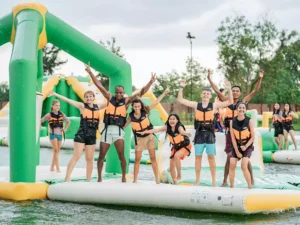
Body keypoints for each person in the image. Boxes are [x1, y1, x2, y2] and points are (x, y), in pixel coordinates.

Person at [85, 63, 156, 182]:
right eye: (117, 92)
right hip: (107, 131)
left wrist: (150, 82)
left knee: (121, 156)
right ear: (114, 92)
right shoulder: (109, 97)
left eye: (120, 93)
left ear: (123, 93)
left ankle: (123, 178)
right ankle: (99, 178)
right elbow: (100, 86)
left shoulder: (127, 101)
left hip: (118, 132)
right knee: (101, 156)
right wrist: (90, 72)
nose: (118, 94)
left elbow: (141, 93)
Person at [208, 69, 264, 187]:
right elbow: (217, 90)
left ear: (239, 93)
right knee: (229, 157)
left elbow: (255, 91)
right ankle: (225, 180)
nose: (234, 92)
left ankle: (251, 179)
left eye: (237, 91)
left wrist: (260, 78)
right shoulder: (226, 101)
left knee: (245, 157)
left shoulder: (243, 102)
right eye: (233, 90)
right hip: (230, 133)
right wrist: (209, 78)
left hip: (243, 133)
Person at [177, 79, 233, 186]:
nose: (206, 95)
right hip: (199, 134)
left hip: (209, 134)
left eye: (208, 94)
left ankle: (213, 181)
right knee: (198, 157)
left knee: (211, 157)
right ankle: (197, 180)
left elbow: (230, 102)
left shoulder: (214, 105)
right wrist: (181, 87)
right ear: (201, 95)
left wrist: (229, 89)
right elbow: (180, 99)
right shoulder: (195, 104)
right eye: (204, 93)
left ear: (210, 96)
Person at [49, 91, 107, 182]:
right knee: (76, 156)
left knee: (90, 159)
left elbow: (111, 102)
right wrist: (55, 94)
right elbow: (68, 100)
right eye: (87, 97)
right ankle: (67, 177)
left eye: (90, 96)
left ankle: (88, 180)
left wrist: (125, 97)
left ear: (93, 97)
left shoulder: (98, 107)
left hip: (92, 136)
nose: (89, 98)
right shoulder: (82, 106)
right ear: (85, 98)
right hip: (81, 134)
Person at [124, 88, 169, 184]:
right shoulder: (130, 116)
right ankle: (135, 180)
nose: (137, 108)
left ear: (140, 106)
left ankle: (157, 180)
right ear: (133, 107)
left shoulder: (146, 111)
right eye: (135, 106)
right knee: (137, 159)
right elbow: (123, 125)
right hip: (139, 139)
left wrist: (164, 93)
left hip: (149, 137)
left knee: (153, 158)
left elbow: (156, 102)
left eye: (138, 106)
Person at [137, 114, 192, 185]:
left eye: (173, 119)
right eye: (170, 119)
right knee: (171, 166)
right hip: (176, 147)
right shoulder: (167, 127)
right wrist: (144, 132)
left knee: (177, 156)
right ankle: (175, 183)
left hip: (185, 146)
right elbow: (156, 130)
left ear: (177, 120)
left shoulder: (179, 127)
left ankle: (179, 175)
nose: (172, 120)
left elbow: (181, 131)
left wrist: (185, 133)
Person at [229, 102, 255, 189]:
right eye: (239, 108)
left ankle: (249, 187)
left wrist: (245, 146)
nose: (241, 109)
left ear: (245, 110)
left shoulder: (249, 121)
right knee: (232, 164)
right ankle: (231, 187)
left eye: (243, 108)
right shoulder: (232, 121)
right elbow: (232, 138)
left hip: (247, 145)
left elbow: (253, 137)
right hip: (237, 145)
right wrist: (237, 151)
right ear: (237, 109)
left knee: (244, 166)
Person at [41, 100, 70, 172]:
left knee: (57, 151)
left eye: (59, 105)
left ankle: (51, 167)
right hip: (53, 134)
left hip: (60, 135)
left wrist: (65, 129)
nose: (58, 107)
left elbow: (68, 121)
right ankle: (57, 168)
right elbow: (41, 120)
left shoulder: (62, 114)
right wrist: (40, 126)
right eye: (56, 105)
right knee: (56, 150)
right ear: (52, 106)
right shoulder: (49, 115)